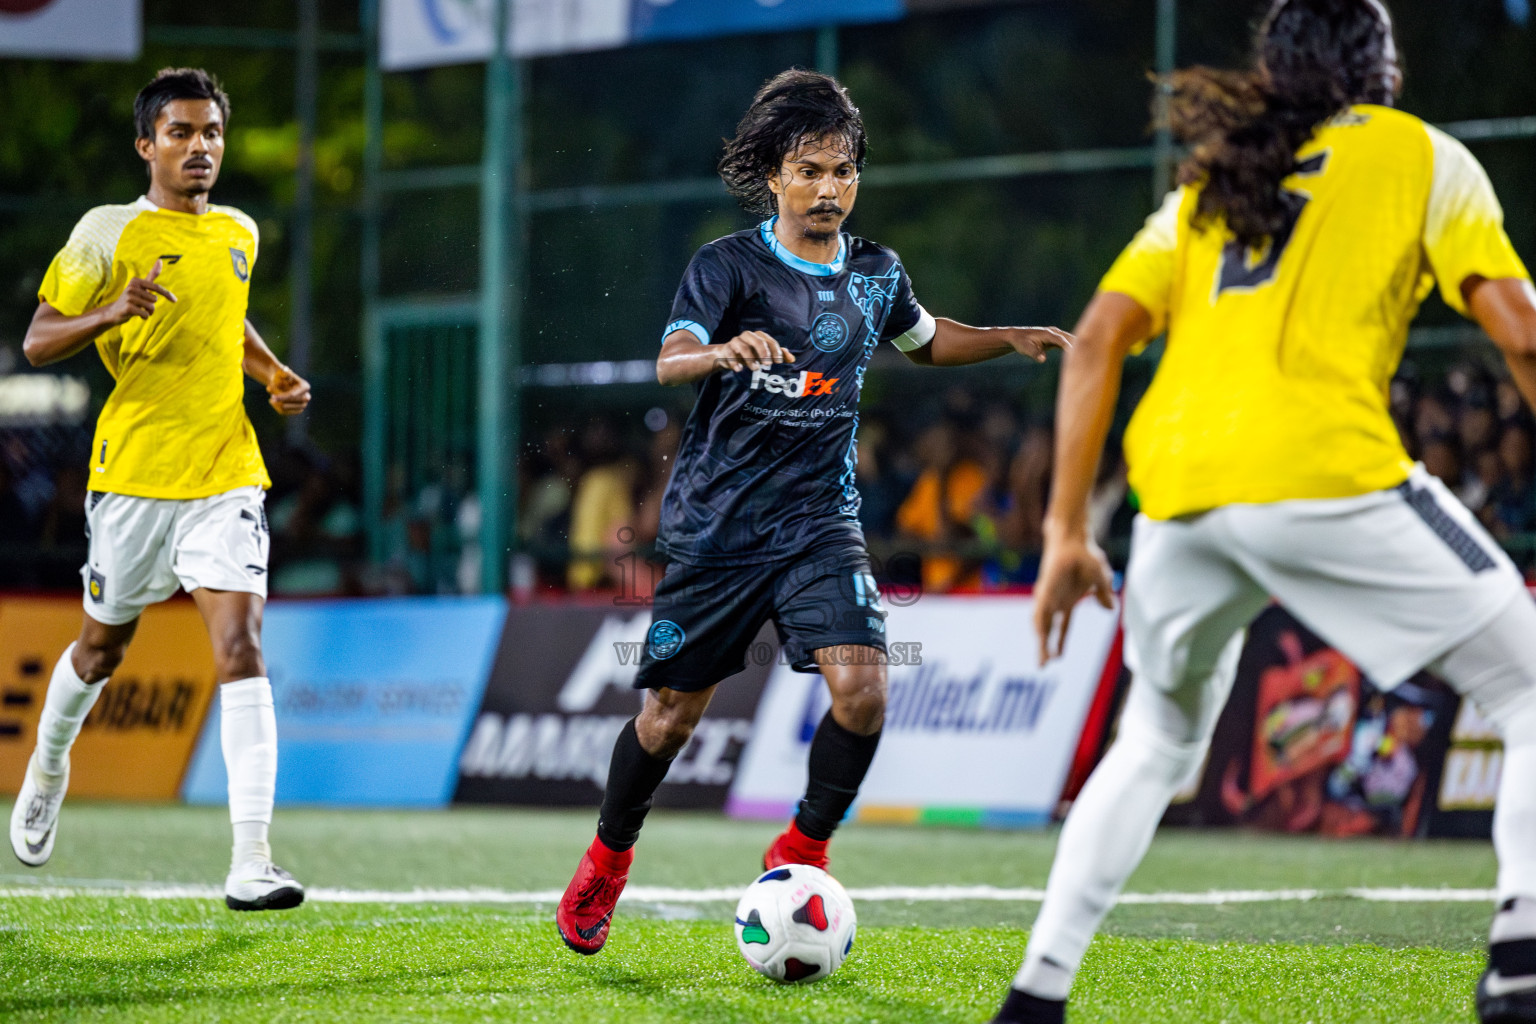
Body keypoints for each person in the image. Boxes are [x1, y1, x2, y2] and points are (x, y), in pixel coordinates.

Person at [989, 2, 1536, 1022]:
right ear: (1382, 68)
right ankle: (1522, 955)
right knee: (1532, 687)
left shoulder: (1213, 181)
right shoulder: (1425, 155)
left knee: (1153, 738)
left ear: (1274, 71)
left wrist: (1068, 531)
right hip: (1324, 474)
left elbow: (1100, 338)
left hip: (1181, 499)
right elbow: (1521, 329)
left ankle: (1036, 992)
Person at [555, 69, 1072, 956]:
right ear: (773, 176)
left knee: (865, 691)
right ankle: (608, 856)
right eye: (809, 171)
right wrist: (718, 350)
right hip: (720, 529)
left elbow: (926, 338)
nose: (829, 188)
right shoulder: (727, 266)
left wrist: (1003, 339)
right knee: (668, 721)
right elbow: (670, 359)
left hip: (820, 524)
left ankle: (802, 849)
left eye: (843, 171)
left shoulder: (875, 272)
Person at [9, 68, 311, 912]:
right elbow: (37, 341)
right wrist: (110, 313)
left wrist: (273, 372)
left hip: (225, 473)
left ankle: (251, 860)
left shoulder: (243, 232)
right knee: (100, 651)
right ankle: (50, 761)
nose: (199, 147)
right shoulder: (106, 232)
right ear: (147, 145)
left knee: (241, 649)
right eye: (180, 133)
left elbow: (226, 317)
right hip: (134, 479)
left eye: (211, 132)